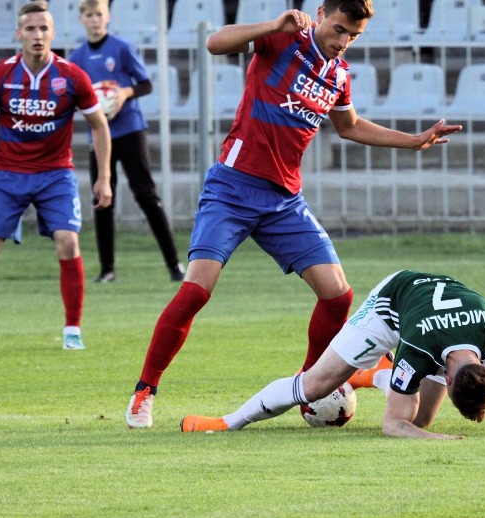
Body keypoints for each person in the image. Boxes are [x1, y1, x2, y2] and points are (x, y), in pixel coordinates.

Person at [124, 1, 463, 429]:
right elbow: (214, 43)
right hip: (232, 188)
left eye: (353, 36)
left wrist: (413, 140)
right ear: (321, 12)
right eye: (339, 29)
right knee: (196, 290)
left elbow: (350, 126)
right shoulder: (283, 36)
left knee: (337, 294)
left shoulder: (338, 73)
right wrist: (272, 23)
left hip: (284, 201)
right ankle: (144, 391)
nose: (343, 42)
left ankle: (311, 383)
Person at [180, 270, 485, 439]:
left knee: (418, 420)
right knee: (319, 383)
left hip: (440, 319)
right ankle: (227, 422)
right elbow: (391, 426)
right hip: (392, 303)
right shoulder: (420, 346)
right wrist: (442, 438)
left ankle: (376, 376)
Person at [0, 0, 112, 351]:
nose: (38, 35)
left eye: (44, 28)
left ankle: (72, 330)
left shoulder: (71, 76)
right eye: (30, 29)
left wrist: (103, 176)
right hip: (8, 173)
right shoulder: (0, 75)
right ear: (19, 33)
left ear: (53, 33)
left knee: (68, 241)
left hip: (55, 174)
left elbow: (99, 124)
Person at [69, 0, 185, 284]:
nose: (95, 20)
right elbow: (71, 96)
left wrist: (122, 94)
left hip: (130, 129)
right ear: (81, 19)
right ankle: (107, 269)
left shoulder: (121, 48)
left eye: (99, 14)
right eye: (89, 15)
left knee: (146, 194)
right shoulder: (77, 57)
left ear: (107, 17)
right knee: (102, 198)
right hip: (98, 134)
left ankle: (174, 265)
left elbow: (146, 84)